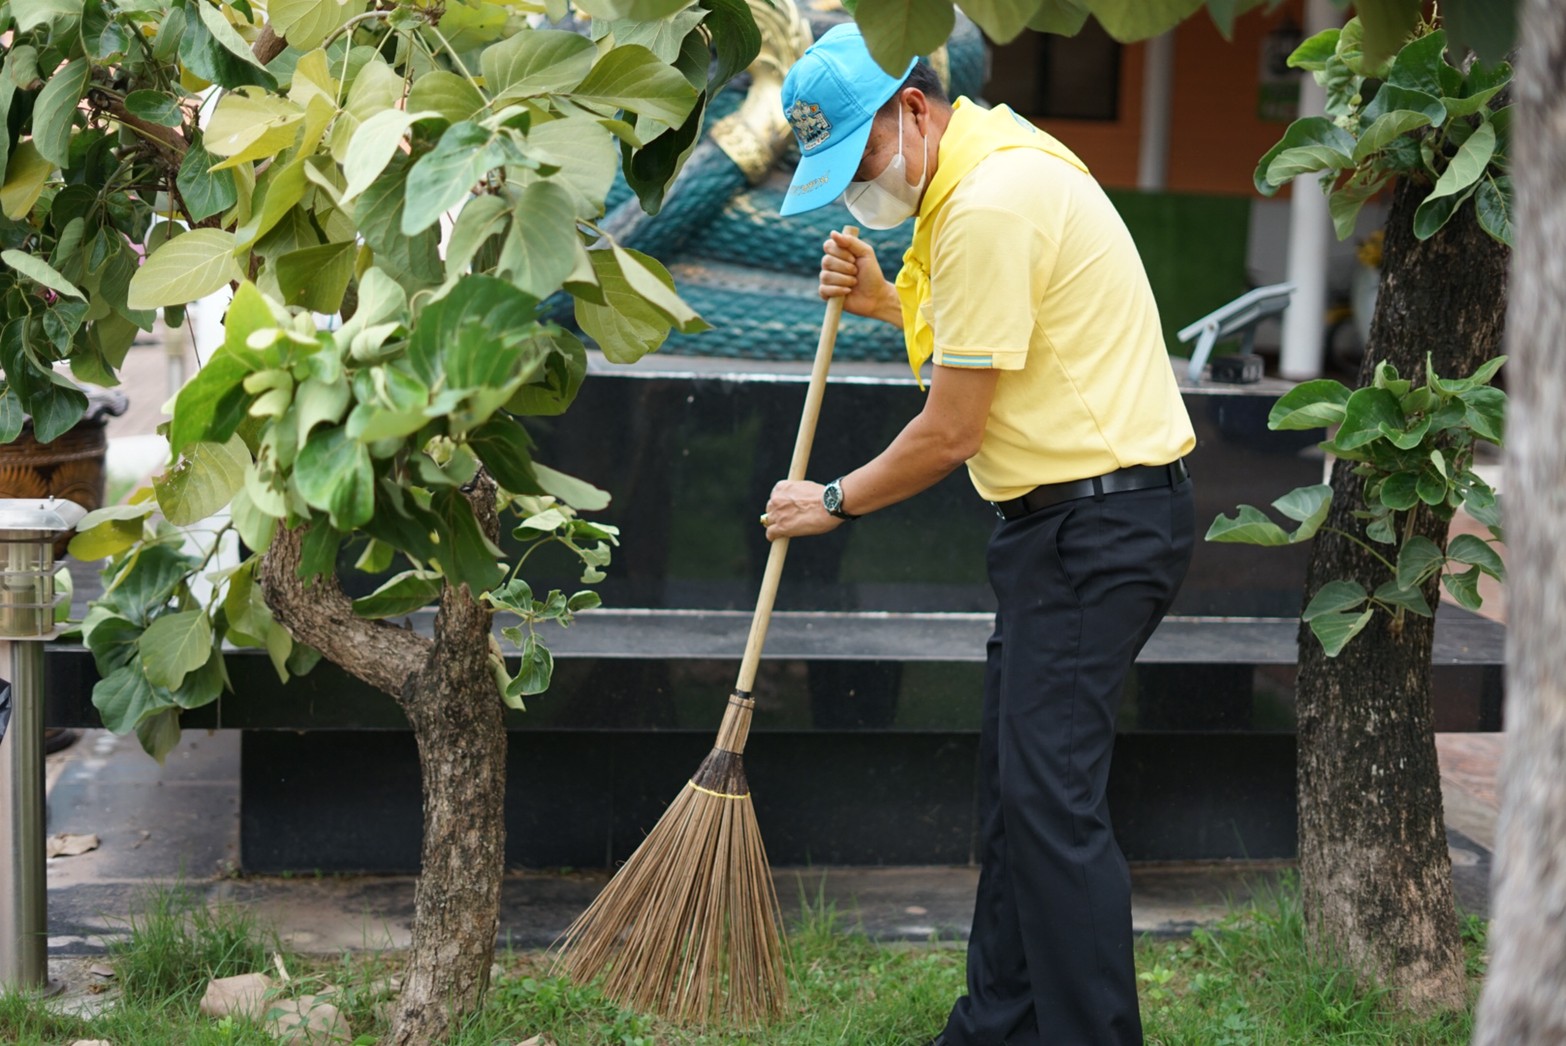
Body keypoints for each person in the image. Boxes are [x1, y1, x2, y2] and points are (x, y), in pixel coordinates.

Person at [764, 23, 1198, 1046]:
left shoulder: (989, 202)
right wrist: (886, 297)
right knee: (1019, 801)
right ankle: (993, 1025)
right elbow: (992, 324)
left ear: (913, 110)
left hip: (1101, 526)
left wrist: (830, 500)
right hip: (1064, 530)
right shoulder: (986, 160)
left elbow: (952, 428)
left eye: (860, 161)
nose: (860, 188)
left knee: (1051, 809)